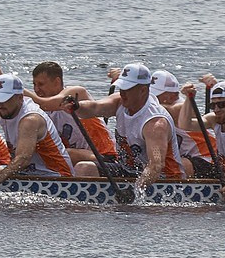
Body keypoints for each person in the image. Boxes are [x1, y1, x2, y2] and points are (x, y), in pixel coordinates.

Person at [58, 62, 187, 186]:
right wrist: (77, 106)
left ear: (143, 90)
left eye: (127, 89)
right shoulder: (119, 102)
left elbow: (156, 166)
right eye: (121, 87)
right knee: (84, 168)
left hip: (164, 181)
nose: (122, 93)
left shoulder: (155, 124)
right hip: (128, 171)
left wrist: (136, 191)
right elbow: (94, 107)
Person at [0, 72, 83, 186]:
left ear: (20, 98)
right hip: (29, 173)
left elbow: (23, 159)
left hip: (57, 177)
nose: (0, 104)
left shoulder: (30, 119)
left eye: (5, 100)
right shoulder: (4, 109)